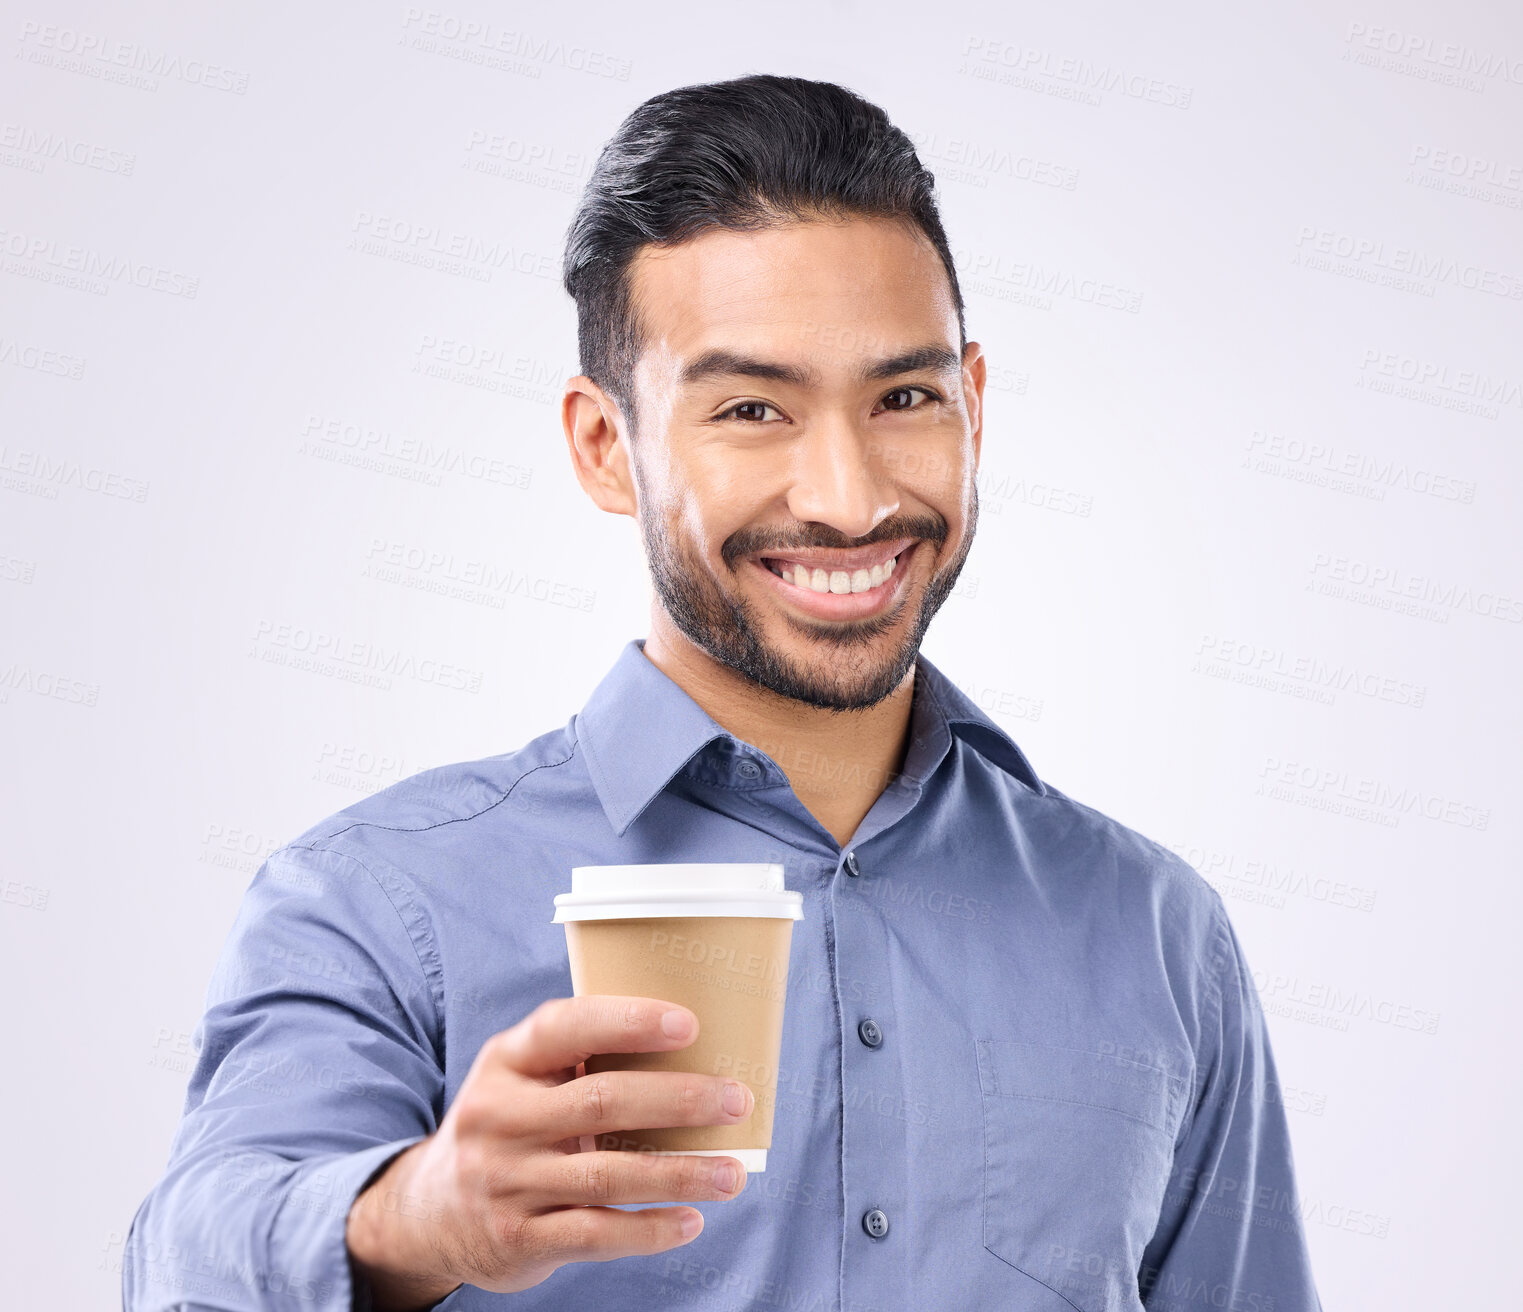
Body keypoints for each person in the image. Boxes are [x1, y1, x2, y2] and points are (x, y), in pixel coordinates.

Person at [124, 73, 1323, 1312]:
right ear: (606, 447)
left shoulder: (1155, 932)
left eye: (903, 398)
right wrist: (412, 1219)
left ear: (974, 403)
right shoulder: (377, 899)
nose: (848, 499)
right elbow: (183, 1258)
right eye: (751, 408)